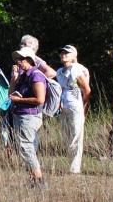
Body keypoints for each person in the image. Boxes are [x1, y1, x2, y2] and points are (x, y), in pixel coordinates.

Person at [9, 46, 48, 189]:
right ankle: (33, 180)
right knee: (25, 147)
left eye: (21, 59)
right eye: (17, 59)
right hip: (21, 115)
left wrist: (19, 101)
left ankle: (39, 181)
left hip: (29, 116)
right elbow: (10, 94)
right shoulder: (23, 76)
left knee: (26, 147)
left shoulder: (36, 75)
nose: (18, 62)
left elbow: (40, 99)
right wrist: (14, 79)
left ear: (30, 60)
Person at [56, 45, 90, 174]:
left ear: (74, 55)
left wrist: (83, 106)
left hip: (75, 106)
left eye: (67, 53)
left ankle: (74, 169)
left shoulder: (76, 69)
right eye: (62, 52)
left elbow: (87, 90)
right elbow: (59, 89)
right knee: (66, 136)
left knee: (76, 135)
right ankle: (71, 164)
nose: (63, 54)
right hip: (64, 107)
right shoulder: (59, 71)